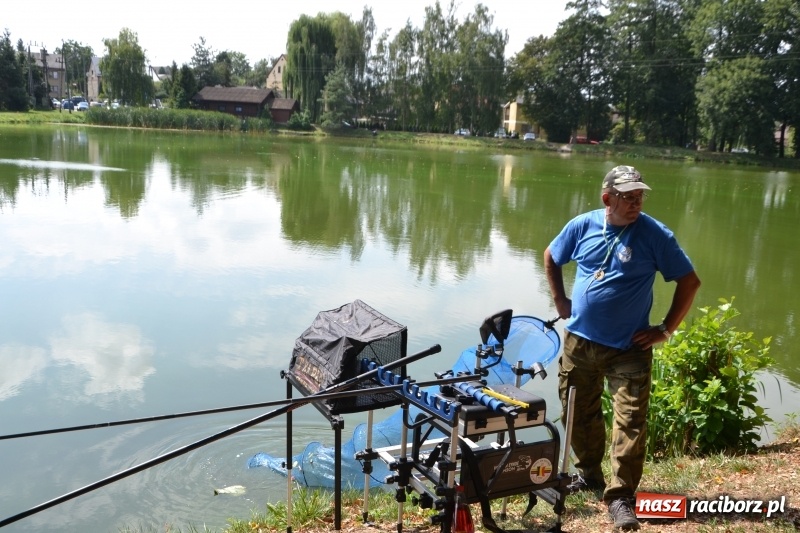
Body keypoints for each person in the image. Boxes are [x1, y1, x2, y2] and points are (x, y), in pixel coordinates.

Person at [543, 165, 701, 531]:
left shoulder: (655, 234)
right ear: (607, 199)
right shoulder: (582, 225)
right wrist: (560, 301)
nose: (636, 203)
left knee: (630, 422)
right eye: (628, 197)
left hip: (628, 348)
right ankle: (588, 474)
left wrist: (665, 329)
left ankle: (621, 498)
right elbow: (551, 255)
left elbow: (689, 281)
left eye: (640, 196)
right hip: (579, 342)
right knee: (577, 412)